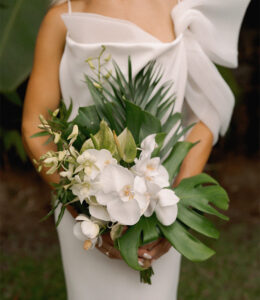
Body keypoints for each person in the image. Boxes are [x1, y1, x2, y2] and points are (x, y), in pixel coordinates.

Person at [21, 0, 250, 299]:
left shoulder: (181, 12)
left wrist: (173, 215)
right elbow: (33, 126)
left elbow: (204, 117)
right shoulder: (62, 18)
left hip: (159, 203)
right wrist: (86, 215)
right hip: (80, 212)